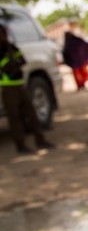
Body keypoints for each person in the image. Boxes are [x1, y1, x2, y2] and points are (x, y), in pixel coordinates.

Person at [0, 24, 54, 154]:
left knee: (32, 114)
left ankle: (40, 140)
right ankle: (21, 145)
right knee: (15, 118)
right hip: (8, 88)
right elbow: (6, 67)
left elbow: (21, 61)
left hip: (20, 85)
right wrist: (11, 61)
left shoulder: (11, 47)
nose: (4, 36)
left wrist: (12, 60)